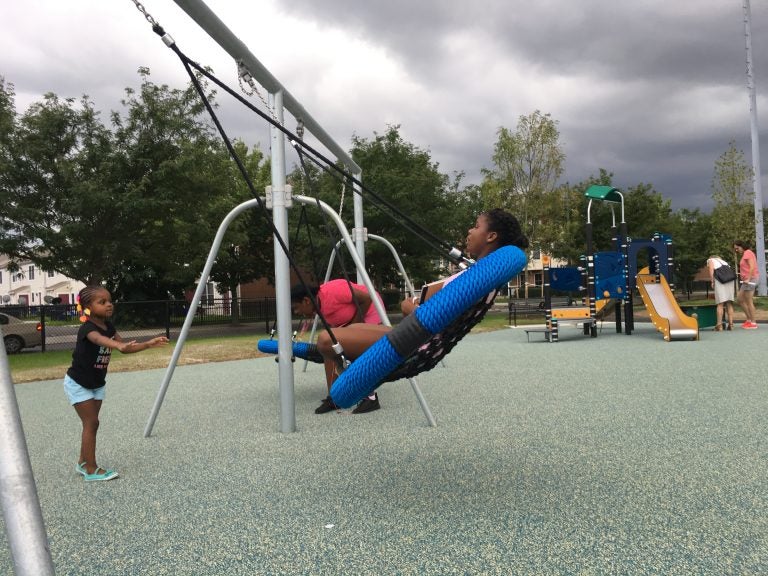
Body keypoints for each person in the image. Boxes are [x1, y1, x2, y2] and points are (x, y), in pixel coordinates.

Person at [315, 208, 529, 401]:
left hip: (419, 345)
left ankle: (358, 386)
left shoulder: (480, 278)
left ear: (491, 236)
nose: (469, 231)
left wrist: (410, 307)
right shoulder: (479, 275)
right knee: (346, 331)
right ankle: (355, 380)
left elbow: (436, 315)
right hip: (420, 338)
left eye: (476, 226)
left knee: (327, 340)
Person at [64, 285, 169, 482]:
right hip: (78, 383)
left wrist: (147, 344)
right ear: (87, 306)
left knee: (92, 424)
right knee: (91, 422)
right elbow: (99, 340)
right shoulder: (87, 328)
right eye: (102, 302)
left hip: (97, 383)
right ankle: (92, 469)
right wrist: (117, 344)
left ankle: (83, 462)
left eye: (109, 301)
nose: (109, 305)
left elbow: (125, 348)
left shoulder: (109, 327)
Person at [291, 278, 386, 414]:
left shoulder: (333, 291)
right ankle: (335, 398)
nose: (296, 313)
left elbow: (366, 299)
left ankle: (371, 398)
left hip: (371, 310)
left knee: (356, 351)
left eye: (296, 308)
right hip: (352, 319)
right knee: (329, 347)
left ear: (306, 301)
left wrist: (352, 329)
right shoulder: (319, 307)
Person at [733, 240, 759, 329]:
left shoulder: (748, 253)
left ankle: (753, 323)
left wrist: (748, 278)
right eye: (735, 249)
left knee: (749, 301)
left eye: (737, 248)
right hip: (746, 280)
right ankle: (749, 320)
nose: (736, 250)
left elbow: (752, 267)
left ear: (742, 246)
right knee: (740, 299)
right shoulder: (745, 254)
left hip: (751, 279)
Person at [707, 255, 735, 331]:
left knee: (720, 303)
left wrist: (712, 281)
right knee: (729, 302)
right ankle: (731, 324)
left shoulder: (710, 260)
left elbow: (711, 270)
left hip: (720, 280)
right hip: (730, 280)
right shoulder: (724, 262)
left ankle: (719, 325)